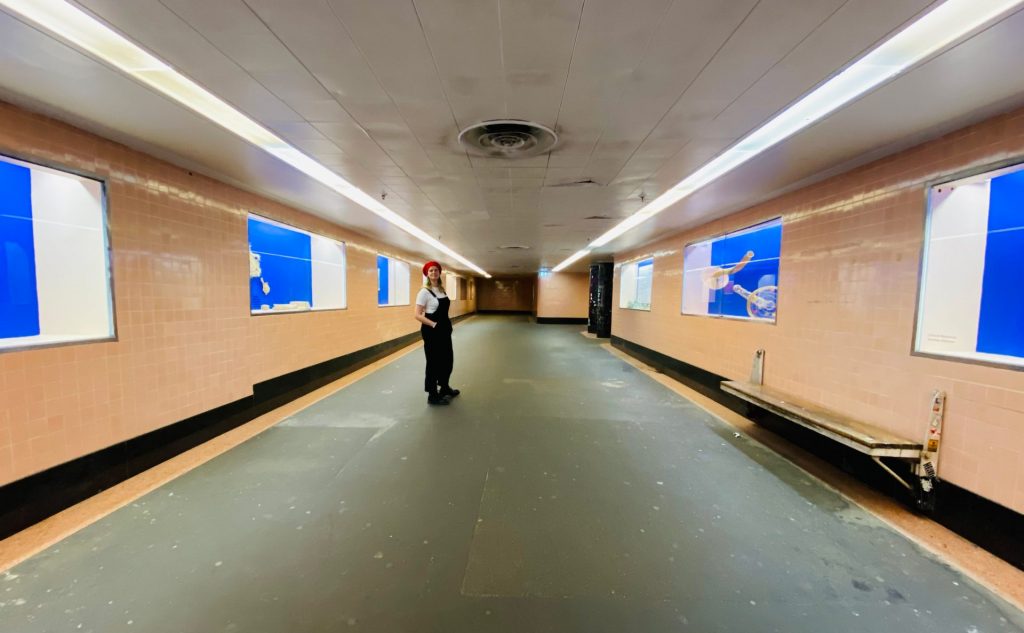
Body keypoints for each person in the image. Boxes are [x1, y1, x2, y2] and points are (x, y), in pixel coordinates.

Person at [414, 261, 460, 405]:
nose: (433, 273)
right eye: (431, 271)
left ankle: (444, 387)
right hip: (432, 332)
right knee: (433, 363)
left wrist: (445, 326)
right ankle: (432, 395)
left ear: (439, 273)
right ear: (427, 274)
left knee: (447, 360)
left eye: (436, 270)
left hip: (444, 331)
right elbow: (417, 315)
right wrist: (434, 324)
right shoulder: (424, 292)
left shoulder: (441, 290)